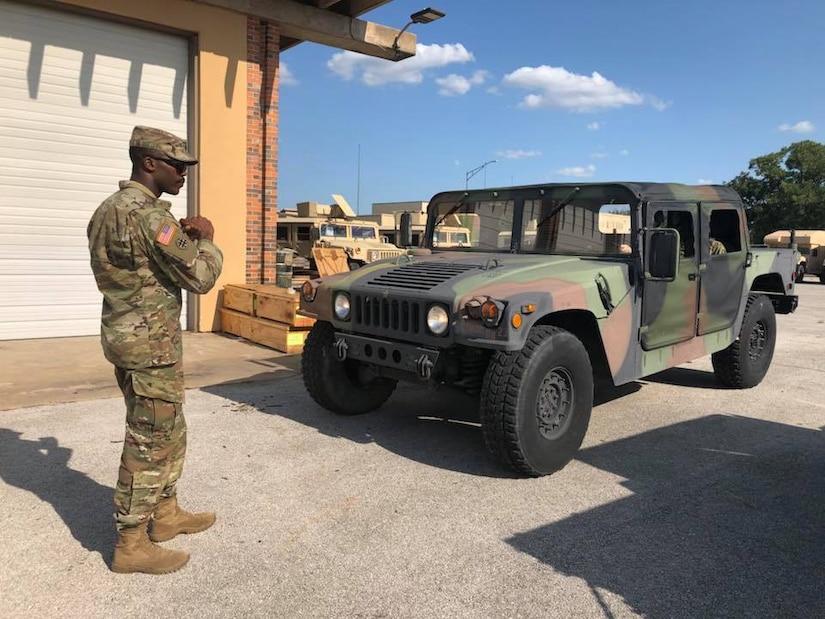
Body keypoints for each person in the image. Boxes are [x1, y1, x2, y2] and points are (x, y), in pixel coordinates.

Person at [87, 126, 223, 574]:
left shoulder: (107, 211)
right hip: (153, 348)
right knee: (148, 440)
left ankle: (164, 515)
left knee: (168, 429)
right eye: (176, 165)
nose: (183, 174)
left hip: (127, 340)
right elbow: (201, 275)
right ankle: (130, 543)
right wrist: (204, 235)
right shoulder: (154, 220)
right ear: (149, 163)